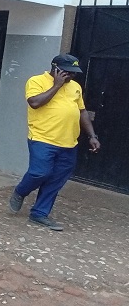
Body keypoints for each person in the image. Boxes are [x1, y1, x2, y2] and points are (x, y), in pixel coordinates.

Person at [9, 54, 100, 231]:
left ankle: (39, 213)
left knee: (56, 180)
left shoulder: (75, 87)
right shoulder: (36, 81)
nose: (71, 76)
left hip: (69, 142)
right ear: (55, 68)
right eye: (68, 72)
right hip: (43, 138)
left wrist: (92, 135)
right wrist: (57, 85)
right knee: (39, 173)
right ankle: (20, 191)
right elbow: (34, 103)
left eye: (74, 73)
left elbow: (82, 112)